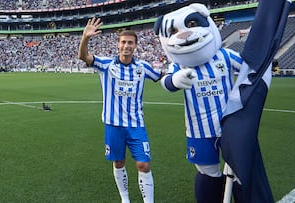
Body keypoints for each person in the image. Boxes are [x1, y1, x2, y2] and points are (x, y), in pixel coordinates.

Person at [154, 4, 242, 202]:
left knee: (240, 172)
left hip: (232, 126)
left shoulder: (225, 56)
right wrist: (175, 81)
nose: (184, 34)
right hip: (199, 130)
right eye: (174, 31)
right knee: (208, 174)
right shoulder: (177, 64)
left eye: (192, 24)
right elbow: (166, 82)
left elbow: (250, 68)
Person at [78, 18, 163, 203]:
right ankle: (125, 199)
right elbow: (84, 57)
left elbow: (162, 76)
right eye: (123, 42)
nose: (126, 46)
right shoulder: (106, 64)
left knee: (144, 164)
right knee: (118, 162)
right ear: (118, 45)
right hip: (113, 125)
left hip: (136, 125)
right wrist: (85, 38)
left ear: (135, 46)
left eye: (130, 43)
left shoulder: (143, 68)